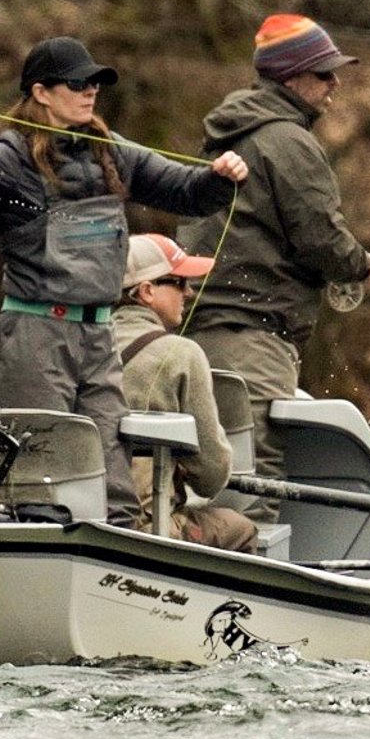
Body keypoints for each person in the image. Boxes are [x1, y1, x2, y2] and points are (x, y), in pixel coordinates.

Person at [0, 36, 249, 527]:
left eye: (95, 83)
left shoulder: (112, 153)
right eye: (78, 83)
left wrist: (222, 177)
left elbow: (189, 193)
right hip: (34, 340)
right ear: (41, 91)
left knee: (113, 486)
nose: (91, 92)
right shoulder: (5, 159)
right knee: (37, 484)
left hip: (98, 339)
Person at [178, 14, 370, 524]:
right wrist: (363, 267)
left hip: (199, 328)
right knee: (255, 476)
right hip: (253, 333)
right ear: (291, 77)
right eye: (324, 74)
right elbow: (319, 234)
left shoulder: (226, 134)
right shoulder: (288, 141)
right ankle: (246, 595)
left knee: (210, 470)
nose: (334, 84)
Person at [113, 234, 259, 553]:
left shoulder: (82, 345)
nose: (189, 292)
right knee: (241, 529)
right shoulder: (182, 354)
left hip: (89, 517)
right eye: (179, 282)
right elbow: (211, 477)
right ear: (146, 291)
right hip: (147, 526)